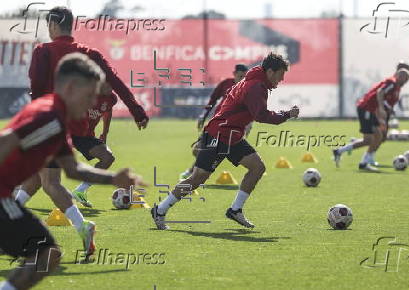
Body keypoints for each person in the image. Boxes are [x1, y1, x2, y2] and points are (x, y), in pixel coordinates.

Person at [0, 53, 142, 290]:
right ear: (71, 87)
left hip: (6, 198)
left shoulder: (57, 119)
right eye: (89, 96)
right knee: (46, 255)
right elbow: (5, 141)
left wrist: (113, 178)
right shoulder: (48, 118)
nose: (91, 105)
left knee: (48, 255)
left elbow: (72, 169)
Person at [13, 6, 148, 255]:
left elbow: (36, 88)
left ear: (53, 24)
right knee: (38, 178)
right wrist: (136, 110)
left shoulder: (43, 51)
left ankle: (77, 226)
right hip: (65, 127)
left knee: (48, 181)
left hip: (45, 124)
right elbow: (115, 81)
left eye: (48, 25)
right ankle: (16, 227)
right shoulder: (89, 53)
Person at [152, 53, 299, 230]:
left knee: (257, 167)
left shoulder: (254, 81)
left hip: (232, 136)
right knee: (198, 178)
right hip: (219, 135)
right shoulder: (255, 86)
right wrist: (287, 114)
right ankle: (160, 210)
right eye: (281, 74)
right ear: (270, 71)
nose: (282, 79)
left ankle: (235, 210)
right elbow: (261, 115)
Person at [333, 65, 409, 171]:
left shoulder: (396, 87)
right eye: (402, 76)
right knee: (369, 139)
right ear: (397, 75)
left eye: (406, 78)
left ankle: (346, 154)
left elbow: (385, 98)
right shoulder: (392, 82)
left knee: (378, 136)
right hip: (366, 108)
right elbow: (380, 92)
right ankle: (362, 162)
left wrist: (387, 108)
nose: (404, 79)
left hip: (371, 110)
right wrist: (382, 108)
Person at [179, 64, 248, 180]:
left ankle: (193, 174)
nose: (243, 79)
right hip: (215, 123)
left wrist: (248, 125)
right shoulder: (226, 84)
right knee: (197, 150)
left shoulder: (247, 89)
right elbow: (213, 99)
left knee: (211, 151)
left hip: (231, 127)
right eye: (241, 76)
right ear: (234, 74)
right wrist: (203, 115)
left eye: (245, 77)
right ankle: (195, 172)